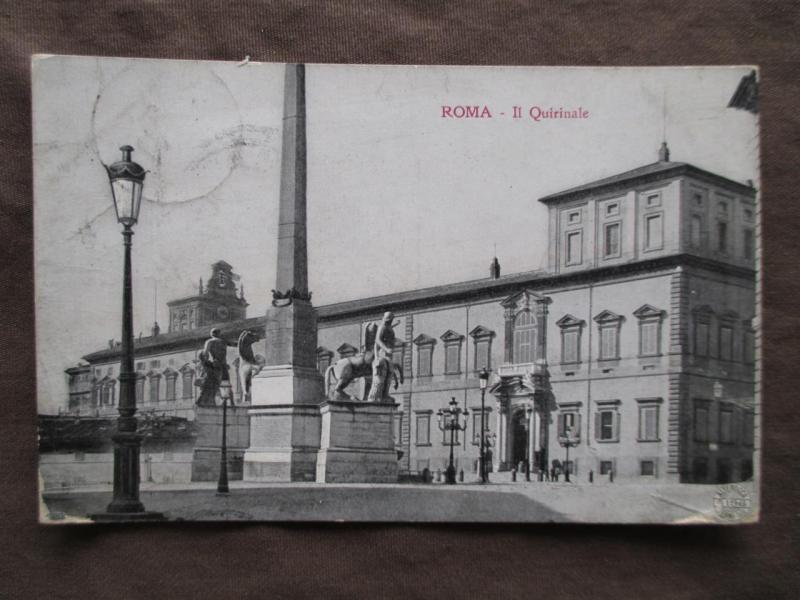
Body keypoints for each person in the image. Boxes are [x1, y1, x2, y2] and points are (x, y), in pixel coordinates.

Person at [367, 311, 397, 401]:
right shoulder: (382, 327)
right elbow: (378, 340)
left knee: (390, 373)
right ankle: (374, 396)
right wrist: (386, 349)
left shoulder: (388, 327)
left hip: (388, 354)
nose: (388, 321)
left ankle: (385, 395)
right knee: (381, 375)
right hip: (382, 353)